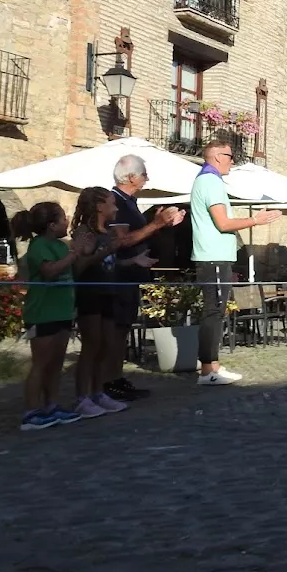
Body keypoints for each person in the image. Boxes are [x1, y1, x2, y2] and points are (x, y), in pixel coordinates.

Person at [191, 140, 280, 385]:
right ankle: (208, 371)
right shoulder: (210, 181)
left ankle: (212, 366)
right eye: (231, 155)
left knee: (215, 311)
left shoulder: (206, 181)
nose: (233, 160)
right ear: (218, 156)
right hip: (213, 256)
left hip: (213, 256)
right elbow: (223, 223)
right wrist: (256, 221)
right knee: (214, 311)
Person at [106, 155, 184, 402]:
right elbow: (122, 240)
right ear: (130, 177)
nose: (146, 179)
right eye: (144, 174)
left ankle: (116, 378)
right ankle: (109, 381)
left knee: (124, 328)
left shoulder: (130, 201)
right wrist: (156, 224)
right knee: (116, 330)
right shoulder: (115, 202)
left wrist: (162, 225)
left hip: (132, 275)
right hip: (119, 276)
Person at [11, 202, 82, 431]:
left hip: (62, 311)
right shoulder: (38, 245)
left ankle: (52, 404)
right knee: (40, 364)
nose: (67, 221)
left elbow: (73, 267)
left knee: (56, 363)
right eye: (63, 218)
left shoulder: (62, 246)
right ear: (52, 225)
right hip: (42, 312)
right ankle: (32, 411)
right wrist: (75, 253)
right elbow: (50, 271)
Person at [71, 187, 133, 418]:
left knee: (106, 345)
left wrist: (132, 260)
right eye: (111, 203)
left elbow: (108, 263)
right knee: (91, 346)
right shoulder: (84, 233)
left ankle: (98, 393)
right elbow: (79, 266)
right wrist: (107, 249)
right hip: (90, 294)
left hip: (108, 292)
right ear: (99, 207)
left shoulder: (106, 232)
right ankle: (82, 397)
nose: (115, 208)